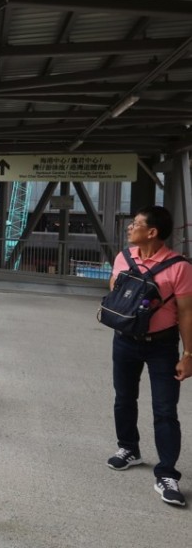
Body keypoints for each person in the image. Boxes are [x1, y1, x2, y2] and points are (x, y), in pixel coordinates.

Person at [107, 205, 192, 507]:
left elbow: (186, 312)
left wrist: (188, 354)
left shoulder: (178, 266)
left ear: (152, 232)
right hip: (125, 341)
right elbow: (115, 293)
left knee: (165, 409)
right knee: (123, 397)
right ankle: (128, 448)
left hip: (162, 345)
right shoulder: (122, 258)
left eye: (136, 224)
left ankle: (167, 474)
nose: (130, 228)